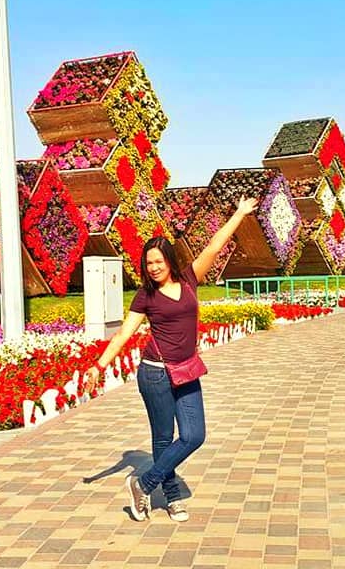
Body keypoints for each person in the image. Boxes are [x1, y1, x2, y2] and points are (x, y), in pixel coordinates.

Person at [85, 196, 259, 522]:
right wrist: (99, 365)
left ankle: (143, 483)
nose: (153, 267)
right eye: (148, 263)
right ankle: (173, 497)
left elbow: (214, 246)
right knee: (163, 438)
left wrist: (238, 213)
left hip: (187, 369)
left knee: (194, 435)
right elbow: (123, 334)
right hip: (156, 374)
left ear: (169, 260)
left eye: (158, 261)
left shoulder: (190, 279)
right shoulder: (145, 296)